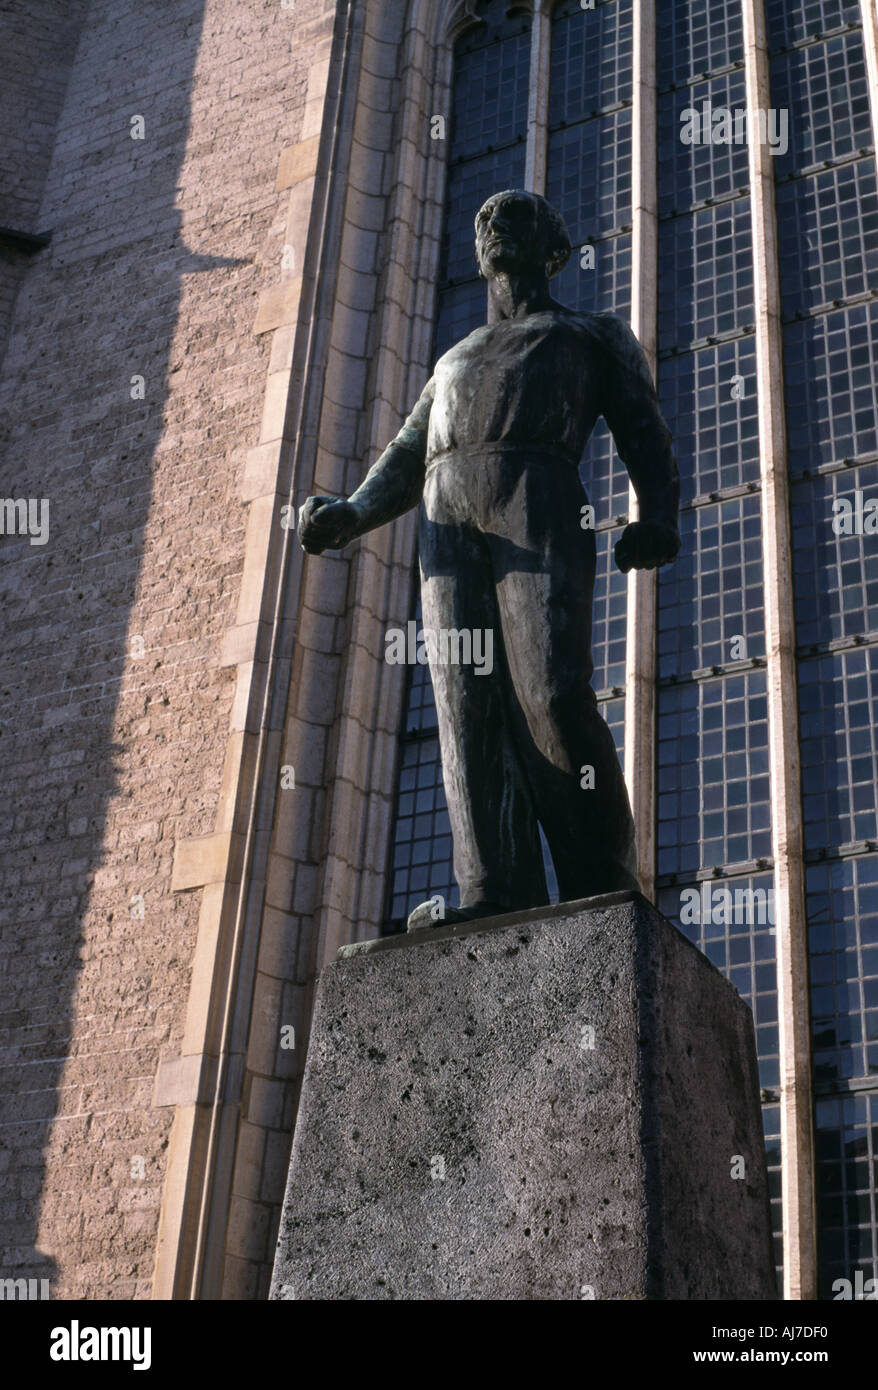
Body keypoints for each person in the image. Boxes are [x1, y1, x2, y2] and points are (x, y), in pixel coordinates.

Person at [298, 189, 680, 928]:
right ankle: (494, 886)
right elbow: (407, 455)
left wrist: (658, 515)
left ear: (554, 249)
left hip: (535, 496)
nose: (494, 225)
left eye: (515, 217)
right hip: (447, 517)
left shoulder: (590, 335)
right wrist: (350, 513)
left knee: (550, 695)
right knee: (464, 708)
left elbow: (644, 428)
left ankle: (599, 882)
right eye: (484, 220)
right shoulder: (454, 360)